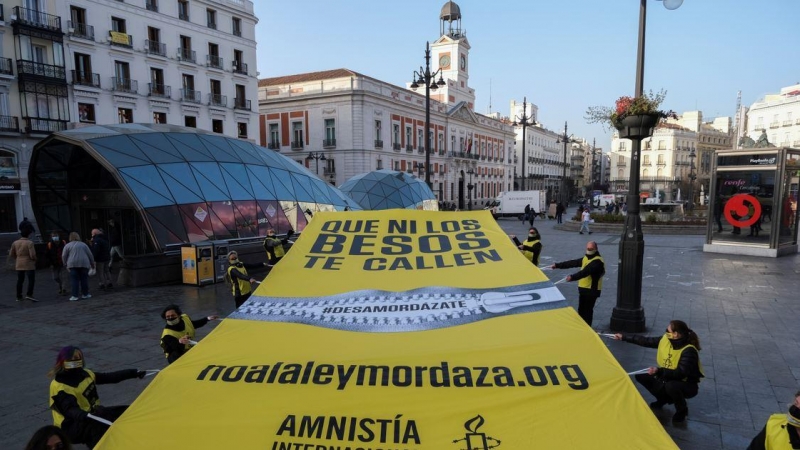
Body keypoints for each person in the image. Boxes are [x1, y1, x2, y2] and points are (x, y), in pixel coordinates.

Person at [48, 346, 146, 449]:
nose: (77, 363)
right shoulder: (59, 386)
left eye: (78, 359)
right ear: (64, 362)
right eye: (72, 361)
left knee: (126, 412)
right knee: (97, 428)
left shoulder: (86, 375)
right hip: (69, 425)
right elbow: (69, 408)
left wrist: (134, 373)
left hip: (91, 414)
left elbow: (109, 377)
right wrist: (83, 414)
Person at [613, 320, 704, 424]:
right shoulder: (666, 339)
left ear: (675, 334)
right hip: (667, 376)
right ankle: (663, 399)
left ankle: (681, 410)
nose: (665, 332)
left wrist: (658, 371)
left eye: (667, 330)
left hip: (687, 384)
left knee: (671, 386)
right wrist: (624, 337)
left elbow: (680, 373)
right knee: (642, 376)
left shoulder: (689, 351)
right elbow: (646, 341)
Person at [550, 241, 605, 326]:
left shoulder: (597, 262)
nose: (589, 250)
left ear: (596, 249)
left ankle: (587, 328)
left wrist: (572, 277)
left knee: (587, 311)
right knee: (581, 310)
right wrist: (557, 265)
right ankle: (583, 327)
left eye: (591, 249)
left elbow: (585, 272)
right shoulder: (586, 258)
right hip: (584, 289)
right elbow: (573, 263)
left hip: (591, 290)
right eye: (588, 248)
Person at [61, 232, 95, 302]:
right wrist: (92, 263)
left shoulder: (67, 245)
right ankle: (85, 294)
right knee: (84, 279)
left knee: (74, 280)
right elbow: (90, 254)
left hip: (72, 264)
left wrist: (65, 263)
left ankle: (75, 295)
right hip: (84, 263)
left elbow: (64, 255)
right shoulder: (83, 244)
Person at [10, 228, 38, 302]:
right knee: (31, 280)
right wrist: (35, 259)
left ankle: (18, 296)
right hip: (28, 263)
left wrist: (17, 258)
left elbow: (11, 253)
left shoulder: (15, 242)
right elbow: (32, 254)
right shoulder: (29, 243)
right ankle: (29, 294)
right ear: (28, 235)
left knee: (20, 280)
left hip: (19, 262)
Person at [46, 231, 68, 296]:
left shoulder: (63, 242)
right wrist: (50, 263)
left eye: (56, 236)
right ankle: (61, 285)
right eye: (53, 236)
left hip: (63, 262)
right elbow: (47, 255)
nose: (55, 237)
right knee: (55, 277)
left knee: (64, 277)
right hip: (55, 263)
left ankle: (64, 289)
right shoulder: (49, 244)